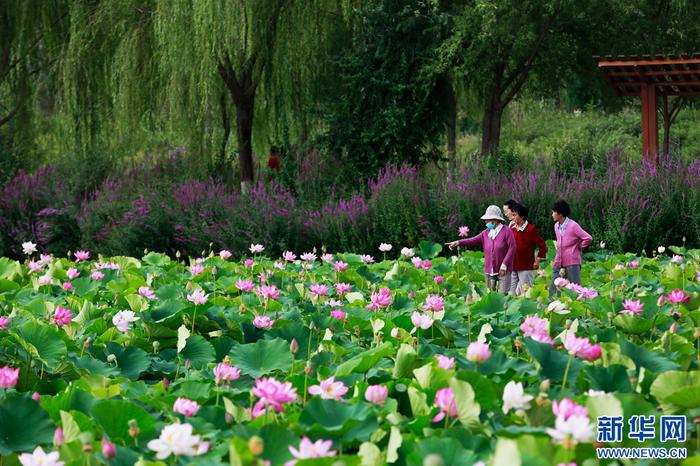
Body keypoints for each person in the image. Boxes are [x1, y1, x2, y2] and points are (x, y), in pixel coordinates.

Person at [446, 205, 516, 293]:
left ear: (495, 220)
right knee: (491, 294)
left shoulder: (507, 231)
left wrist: (504, 264)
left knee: (503, 295)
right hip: (490, 270)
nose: (486, 222)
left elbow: (512, 248)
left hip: (503, 269)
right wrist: (458, 242)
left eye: (487, 220)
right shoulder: (486, 233)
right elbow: (472, 240)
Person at [549, 199, 592, 297]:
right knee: (554, 286)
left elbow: (588, 238)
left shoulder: (573, 225)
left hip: (572, 262)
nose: (552, 214)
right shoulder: (556, 226)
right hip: (558, 261)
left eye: (554, 212)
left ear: (560, 213)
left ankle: (579, 308)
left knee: (575, 288)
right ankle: (554, 307)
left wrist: (579, 247)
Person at [509, 203, 547, 295]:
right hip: (512, 266)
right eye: (512, 215)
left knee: (524, 293)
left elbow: (542, 246)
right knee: (511, 293)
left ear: (522, 216)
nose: (512, 217)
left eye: (515, 215)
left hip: (526, 267)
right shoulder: (511, 228)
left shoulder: (530, 230)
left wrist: (537, 261)